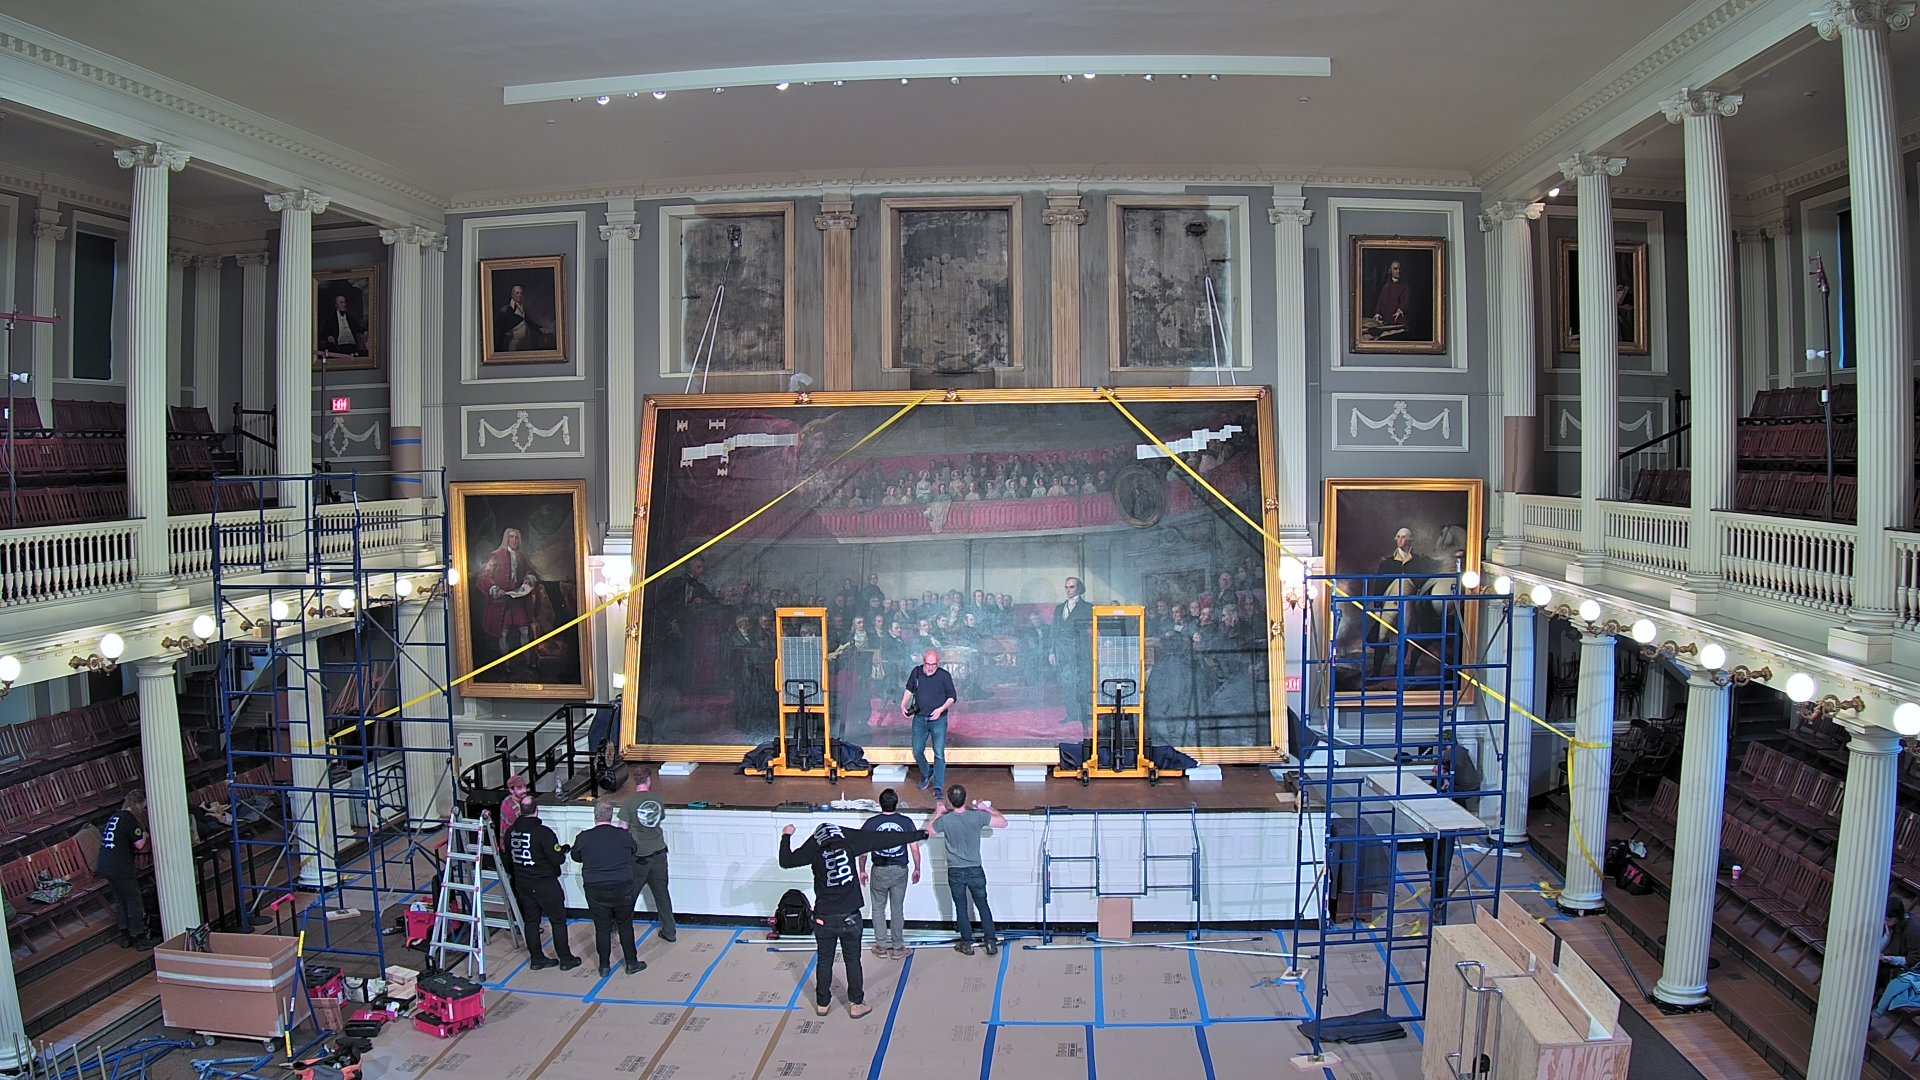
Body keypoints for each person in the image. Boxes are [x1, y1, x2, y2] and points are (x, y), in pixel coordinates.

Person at [779, 819, 927, 1019]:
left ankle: (822, 1004)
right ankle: (856, 1004)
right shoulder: (851, 842)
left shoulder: (814, 850)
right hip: (850, 917)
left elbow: (786, 861)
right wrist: (920, 834)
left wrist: (786, 835)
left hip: (824, 918)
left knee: (824, 960)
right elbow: (886, 839)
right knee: (852, 960)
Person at [569, 798, 646, 977]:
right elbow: (633, 850)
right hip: (622, 886)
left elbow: (575, 857)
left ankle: (604, 966)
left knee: (601, 927)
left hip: (595, 888)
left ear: (595, 816)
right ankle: (631, 963)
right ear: (611, 816)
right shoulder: (623, 835)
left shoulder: (584, 837)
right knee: (625, 925)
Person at [503, 795, 579, 970]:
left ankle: (537, 959)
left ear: (520, 811)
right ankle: (565, 959)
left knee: (531, 921)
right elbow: (557, 859)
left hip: (523, 883)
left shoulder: (511, 832)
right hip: (545, 884)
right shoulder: (543, 833)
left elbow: (508, 858)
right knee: (558, 921)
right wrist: (561, 852)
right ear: (537, 811)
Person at [930, 785, 1006, 955]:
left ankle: (967, 944)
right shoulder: (977, 816)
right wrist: (986, 808)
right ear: (965, 798)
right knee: (983, 905)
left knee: (961, 907)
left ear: (950, 801)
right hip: (975, 869)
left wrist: (938, 813)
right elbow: (1002, 822)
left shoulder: (945, 820)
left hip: (955, 871)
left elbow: (928, 832)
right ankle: (990, 942)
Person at [857, 789, 922, 959]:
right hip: (900, 870)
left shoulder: (871, 823)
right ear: (896, 803)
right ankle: (898, 948)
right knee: (897, 909)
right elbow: (915, 848)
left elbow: (862, 850)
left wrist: (862, 870)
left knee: (878, 908)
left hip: (879, 870)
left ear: (880, 803)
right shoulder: (906, 822)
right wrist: (917, 868)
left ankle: (881, 947)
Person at [1364, 527, 1432, 679]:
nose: (1401, 540)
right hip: (1389, 602)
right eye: (1399, 536)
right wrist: (1377, 606)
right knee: (1381, 636)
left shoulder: (1418, 561)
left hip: (1408, 603)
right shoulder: (1387, 563)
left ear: (1410, 539)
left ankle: (1398, 671)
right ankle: (1376, 673)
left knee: (1404, 636)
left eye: (1404, 537)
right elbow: (1379, 585)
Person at [619, 768, 677, 942]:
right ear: (649, 780)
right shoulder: (657, 800)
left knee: (629, 895)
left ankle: (621, 928)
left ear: (634, 781)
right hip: (659, 853)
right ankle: (670, 931)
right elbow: (659, 819)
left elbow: (622, 829)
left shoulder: (629, 802)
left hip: (639, 856)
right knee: (662, 895)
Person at [476, 527, 542, 667]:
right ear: (506, 538)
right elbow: (484, 576)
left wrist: (528, 580)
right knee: (503, 634)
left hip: (517, 600)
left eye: (517, 537)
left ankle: (528, 662)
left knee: (525, 631)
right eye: (511, 537)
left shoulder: (521, 557)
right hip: (501, 602)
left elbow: (530, 571)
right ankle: (506, 665)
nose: (514, 540)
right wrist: (495, 589)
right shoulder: (496, 555)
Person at [98, 791, 152, 949]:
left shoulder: (114, 817)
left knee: (120, 900)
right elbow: (139, 844)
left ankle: (125, 937)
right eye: (142, 807)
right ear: (137, 805)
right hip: (121, 866)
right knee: (134, 900)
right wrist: (145, 834)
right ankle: (141, 937)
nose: (142, 810)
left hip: (106, 865)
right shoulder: (129, 818)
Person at [901, 650, 957, 793]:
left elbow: (952, 697)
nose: (931, 667)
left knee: (939, 753)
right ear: (923, 662)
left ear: (938, 663)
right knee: (917, 750)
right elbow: (909, 689)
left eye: (934, 664)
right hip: (920, 718)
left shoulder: (944, 676)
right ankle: (926, 772)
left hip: (939, 719)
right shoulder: (917, 672)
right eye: (928, 664)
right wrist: (903, 703)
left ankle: (938, 785)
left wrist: (940, 709)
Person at [1050, 577, 1095, 731]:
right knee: (1066, 682)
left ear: (1079, 589)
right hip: (1062, 652)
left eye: (1072, 587)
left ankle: (1084, 715)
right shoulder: (1059, 608)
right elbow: (1054, 631)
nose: (1068, 590)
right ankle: (1071, 714)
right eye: (1066, 587)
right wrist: (1052, 652)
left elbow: (1092, 631)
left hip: (1080, 652)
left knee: (1082, 683)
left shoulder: (1088, 608)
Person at [495, 283, 553, 353]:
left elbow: (527, 321)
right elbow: (499, 324)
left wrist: (540, 329)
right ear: (512, 295)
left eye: (521, 293)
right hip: (513, 341)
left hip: (524, 341)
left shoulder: (521, 307)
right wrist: (507, 332)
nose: (519, 295)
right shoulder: (505, 309)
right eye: (517, 293)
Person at [319, 292, 369, 358]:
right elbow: (323, 334)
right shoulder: (331, 320)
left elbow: (358, 327)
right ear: (336, 305)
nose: (344, 304)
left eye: (344, 302)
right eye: (341, 303)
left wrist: (365, 332)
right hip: (339, 346)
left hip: (352, 345)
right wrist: (328, 337)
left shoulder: (349, 317)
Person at [1373, 259, 1411, 332]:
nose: (1398, 271)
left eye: (1399, 269)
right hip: (1385, 323)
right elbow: (1380, 301)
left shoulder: (1405, 287)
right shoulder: (1386, 287)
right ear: (1390, 271)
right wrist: (1377, 313)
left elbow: (1406, 301)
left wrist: (1401, 309)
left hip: (1398, 323)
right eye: (1395, 269)